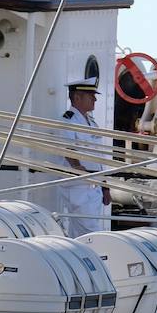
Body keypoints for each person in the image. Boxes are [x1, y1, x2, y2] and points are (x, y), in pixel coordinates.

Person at [56, 76, 110, 237]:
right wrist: (77, 166)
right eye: (91, 96)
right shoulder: (68, 121)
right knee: (90, 233)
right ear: (77, 98)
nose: (95, 99)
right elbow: (67, 148)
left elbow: (98, 157)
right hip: (78, 187)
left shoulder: (91, 122)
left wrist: (105, 186)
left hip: (94, 187)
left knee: (78, 234)